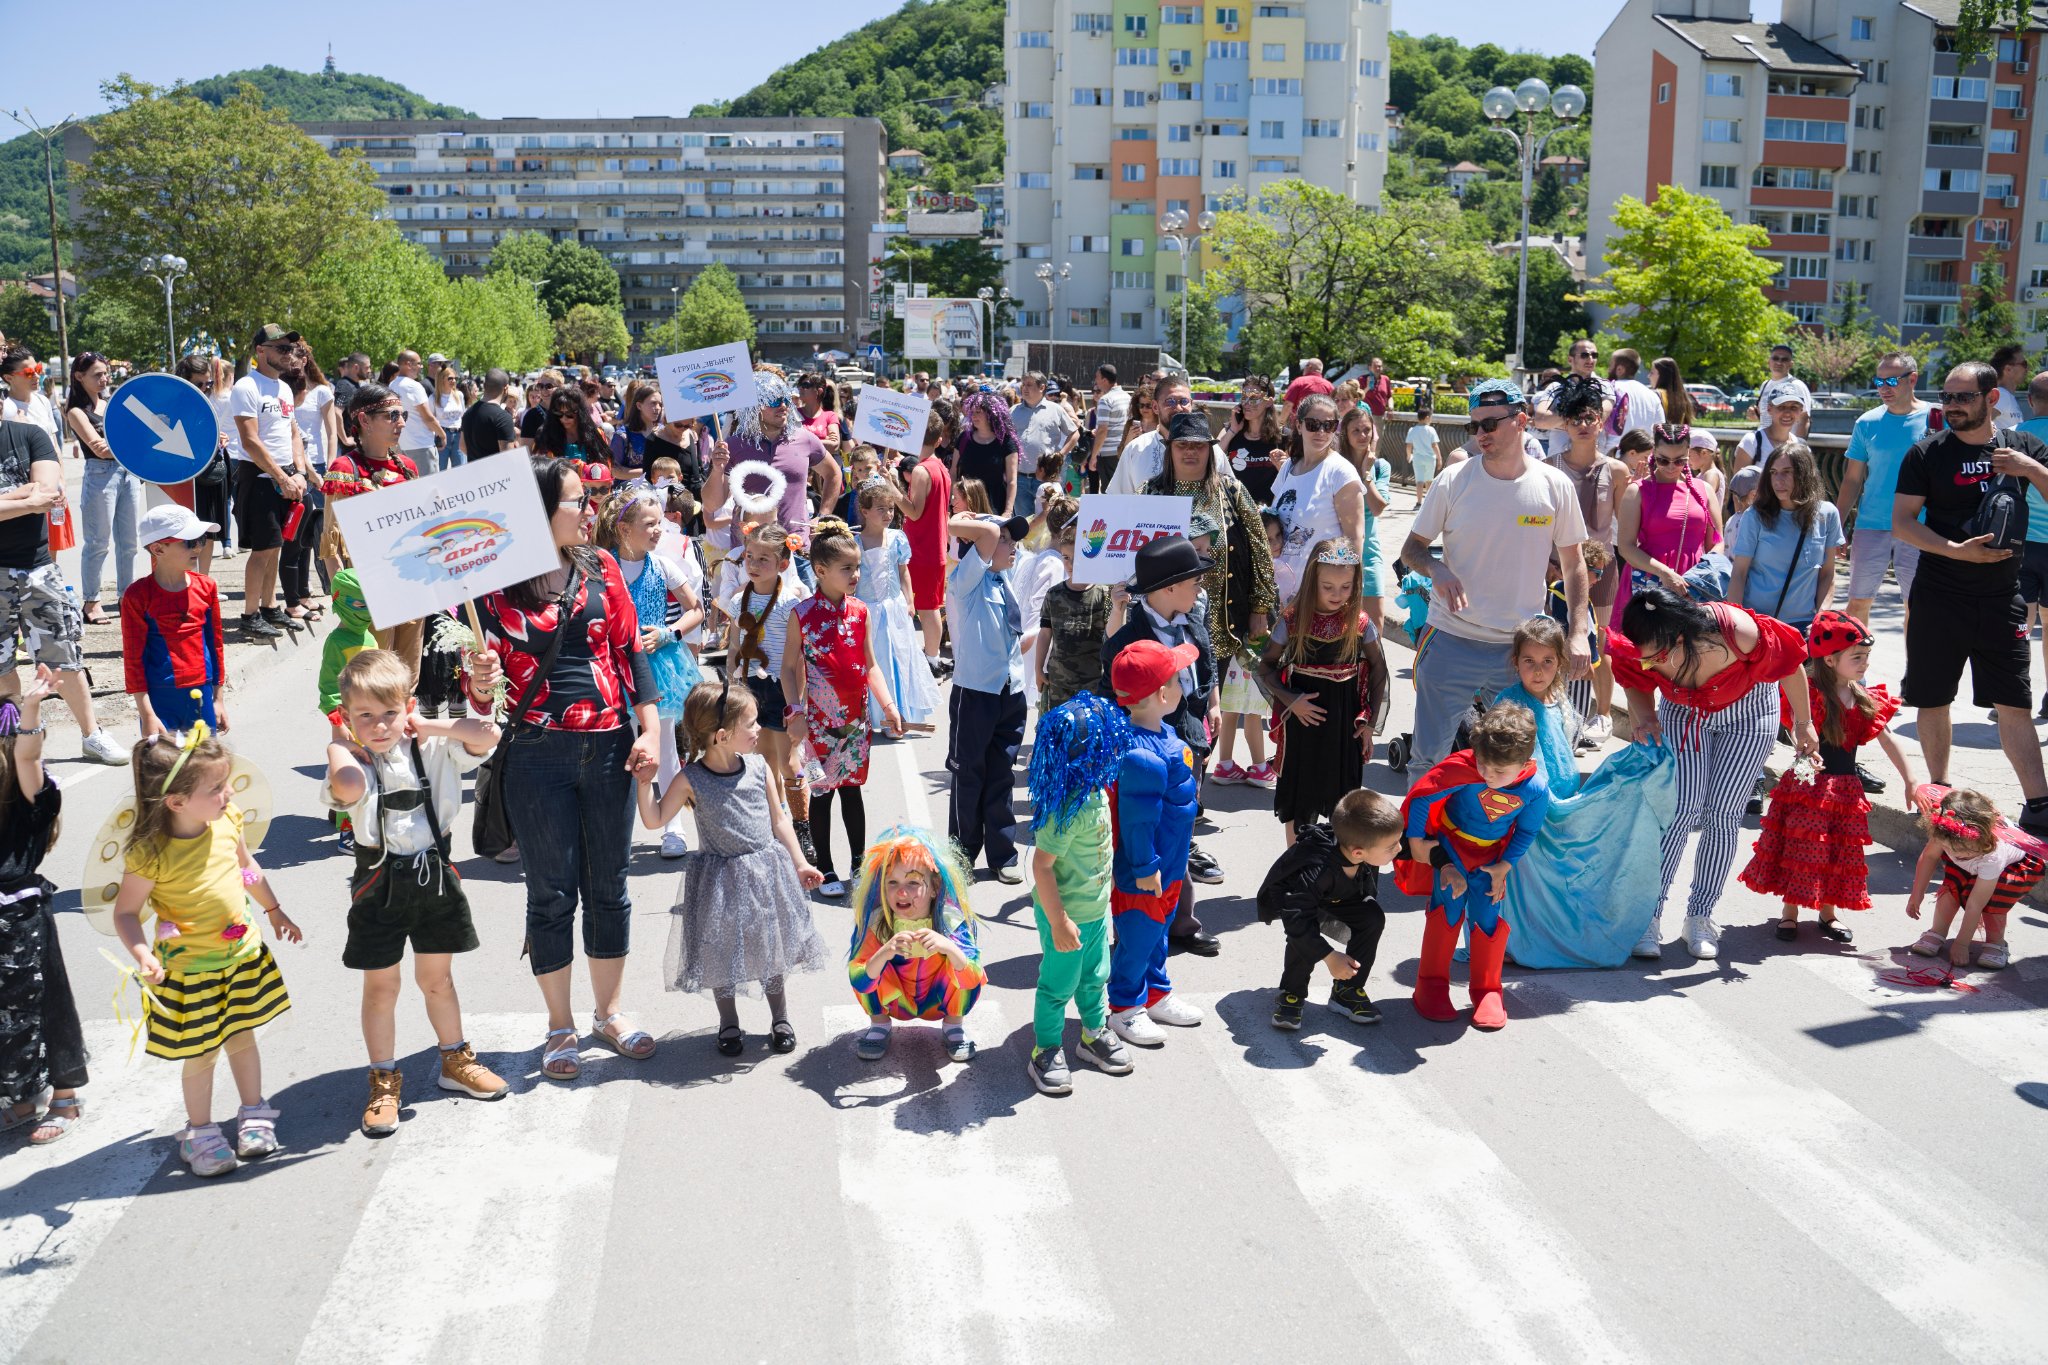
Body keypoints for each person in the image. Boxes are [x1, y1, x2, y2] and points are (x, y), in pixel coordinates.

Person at [466, 457, 663, 1081]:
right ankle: (559, 1025)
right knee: (550, 893)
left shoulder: (601, 565)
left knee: (610, 885)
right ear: (539, 510)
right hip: (536, 752)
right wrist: (480, 680)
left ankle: (609, 1014)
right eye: (577, 500)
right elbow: (483, 701)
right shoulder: (492, 587)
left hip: (610, 748)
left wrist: (652, 729)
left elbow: (630, 653)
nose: (589, 509)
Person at [322, 650, 507, 1135]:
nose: (379, 725)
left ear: (407, 706)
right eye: (365, 715)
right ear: (347, 715)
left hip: (434, 877)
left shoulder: (432, 745)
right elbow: (347, 787)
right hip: (377, 883)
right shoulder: (351, 758)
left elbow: (488, 735)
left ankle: (455, 1060)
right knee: (382, 987)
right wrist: (339, 742)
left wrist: (428, 725)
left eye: (390, 712)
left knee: (437, 980)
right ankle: (384, 1079)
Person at [112, 726, 300, 1177]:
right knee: (200, 1054)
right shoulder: (150, 854)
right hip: (190, 970)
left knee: (242, 1036)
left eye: (225, 782)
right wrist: (143, 954)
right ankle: (200, 1132)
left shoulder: (227, 820)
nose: (228, 793)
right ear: (176, 802)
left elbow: (246, 867)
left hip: (240, 958)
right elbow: (126, 913)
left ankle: (253, 1112)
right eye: (215, 788)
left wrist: (274, 909)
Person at [1610, 585, 1817, 959]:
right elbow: (1634, 678)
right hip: (1684, 714)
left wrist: (1803, 724)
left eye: (1658, 657)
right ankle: (1647, 916)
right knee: (1679, 811)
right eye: (1646, 658)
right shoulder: (1645, 650)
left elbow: (1790, 664)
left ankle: (1700, 917)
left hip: (1750, 715)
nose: (1651, 664)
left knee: (1723, 815)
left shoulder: (1737, 632)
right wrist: (1647, 717)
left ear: (1680, 638)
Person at [1400, 379, 1592, 775]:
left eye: (1489, 424)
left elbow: (1574, 565)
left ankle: (1502, 820)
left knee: (1522, 763)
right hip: (1451, 638)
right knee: (1428, 760)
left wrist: (1578, 633)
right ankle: (1422, 820)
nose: (1480, 434)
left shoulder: (1554, 484)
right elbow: (1412, 549)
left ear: (1521, 421)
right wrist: (1436, 569)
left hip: (1517, 649)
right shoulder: (1453, 480)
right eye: (1474, 426)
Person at [1893, 361, 2048, 834]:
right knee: (1933, 696)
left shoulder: (2023, 446)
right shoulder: (1927, 453)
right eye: (1947, 397)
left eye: (1964, 397)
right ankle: (1940, 795)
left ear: (1991, 399)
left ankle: (2039, 806)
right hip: (1939, 595)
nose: (1953, 406)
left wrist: (2030, 469)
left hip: (2003, 597)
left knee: (2015, 702)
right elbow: (1903, 522)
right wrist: (1955, 550)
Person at [638, 681, 828, 1056]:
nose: (759, 729)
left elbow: (779, 821)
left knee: (770, 946)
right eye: (751, 723)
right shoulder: (691, 779)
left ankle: (780, 1018)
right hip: (719, 881)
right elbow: (655, 818)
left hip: (765, 873)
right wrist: (645, 784)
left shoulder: (758, 767)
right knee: (720, 951)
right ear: (723, 735)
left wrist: (801, 862)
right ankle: (728, 1022)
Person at [1738, 613, 1915, 943]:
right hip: (1807, 782)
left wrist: (1911, 780)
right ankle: (1789, 913)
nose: (1864, 664)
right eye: (1857, 657)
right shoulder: (1811, 695)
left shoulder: (1864, 699)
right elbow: (1796, 728)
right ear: (1830, 660)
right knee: (1801, 848)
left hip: (1845, 789)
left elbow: (1888, 738)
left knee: (1838, 852)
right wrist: (1804, 749)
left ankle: (1828, 914)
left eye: (1866, 656)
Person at [1397, 702, 1548, 1031]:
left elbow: (1527, 831)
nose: (1489, 775)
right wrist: (1417, 841)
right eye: (1483, 764)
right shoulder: (1464, 770)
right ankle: (1430, 984)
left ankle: (1488, 990)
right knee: (1447, 911)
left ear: (1524, 763)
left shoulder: (1535, 790)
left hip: (1491, 859)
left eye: (1500, 771)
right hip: (1451, 850)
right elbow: (1424, 796)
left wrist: (1505, 866)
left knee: (1487, 918)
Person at [1, 394, 128, 765]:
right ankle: (16, 742)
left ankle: (92, 735)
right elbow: (36, 498)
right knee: (2, 664)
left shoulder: (29, 436)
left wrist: (23, 499)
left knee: (64, 655)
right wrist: (26, 499)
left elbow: (47, 491)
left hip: (38, 568)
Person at [1102, 534, 1228, 907]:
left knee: (1182, 817)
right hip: (1148, 748)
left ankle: (1179, 905)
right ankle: (1141, 904)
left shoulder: (1194, 621)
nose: (1200, 589)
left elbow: (1207, 663)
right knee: (1146, 822)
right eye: (1195, 582)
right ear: (1169, 588)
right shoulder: (1127, 640)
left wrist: (1213, 704)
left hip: (1189, 738)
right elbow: (1112, 695)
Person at [1025, 693, 1139, 1094]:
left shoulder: (1095, 792)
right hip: (1067, 916)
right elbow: (1042, 866)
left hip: (1094, 911)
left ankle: (1092, 1034)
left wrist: (1107, 887)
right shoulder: (1064, 808)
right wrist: (1058, 921)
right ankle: (1045, 1049)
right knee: (1057, 986)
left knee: (1095, 977)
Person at [786, 519, 905, 896]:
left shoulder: (860, 611)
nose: (855, 575)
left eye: (857, 567)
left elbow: (871, 665)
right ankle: (826, 868)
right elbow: (788, 668)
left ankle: (858, 865)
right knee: (821, 794)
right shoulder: (802, 614)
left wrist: (889, 705)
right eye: (846, 568)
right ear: (820, 570)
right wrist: (795, 712)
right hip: (817, 726)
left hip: (856, 722)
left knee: (852, 792)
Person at [0, 669, 89, 1145]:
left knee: (46, 1004)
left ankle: (65, 1096)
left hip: (21, 918)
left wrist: (31, 708)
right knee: (4, 1016)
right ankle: (21, 1098)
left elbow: (28, 755)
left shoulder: (27, 793)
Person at [1105, 639, 1207, 1046]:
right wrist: (1145, 869)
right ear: (1162, 694)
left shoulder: (1164, 733)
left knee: (1159, 933)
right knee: (1138, 937)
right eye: (1177, 678)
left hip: (1170, 864)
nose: (1184, 684)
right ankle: (1124, 1007)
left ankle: (1156, 994)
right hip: (1144, 872)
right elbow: (1137, 822)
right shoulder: (1140, 755)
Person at [597, 487, 704, 859]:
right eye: (650, 524)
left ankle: (672, 827)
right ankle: (620, 830)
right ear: (624, 528)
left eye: (660, 522)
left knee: (666, 748)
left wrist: (669, 632)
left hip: (657, 667)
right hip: (613, 669)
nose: (658, 530)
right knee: (620, 749)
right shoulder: (603, 566)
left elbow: (696, 609)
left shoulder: (663, 565)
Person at [1258, 541, 1389, 842]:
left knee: (1344, 802)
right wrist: (1292, 700)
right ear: (1312, 580)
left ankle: (1337, 866)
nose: (1337, 594)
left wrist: (1370, 724)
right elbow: (1265, 667)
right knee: (1299, 799)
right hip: (1302, 723)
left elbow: (1379, 669)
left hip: (1345, 726)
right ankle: (1297, 862)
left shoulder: (1360, 623)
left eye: (1346, 587)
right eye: (1328, 587)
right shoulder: (1292, 621)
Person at [1258, 788, 1405, 1031]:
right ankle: (1292, 993)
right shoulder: (1317, 870)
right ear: (1359, 852)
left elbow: (1409, 848)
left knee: (1372, 917)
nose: (1398, 849)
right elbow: (1296, 919)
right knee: (1305, 930)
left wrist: (1444, 864)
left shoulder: (1365, 846)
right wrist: (1329, 956)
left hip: (1337, 895)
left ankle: (1346, 991)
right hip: (1300, 901)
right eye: (1392, 846)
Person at [847, 826, 985, 1062]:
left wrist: (948, 948)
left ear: (935, 888)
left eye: (913, 882)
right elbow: (857, 979)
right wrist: (884, 952)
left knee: (964, 964)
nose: (901, 892)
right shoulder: (876, 922)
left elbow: (974, 977)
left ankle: (954, 1025)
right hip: (897, 1002)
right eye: (892, 882)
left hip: (936, 1000)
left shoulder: (950, 920)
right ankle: (879, 1024)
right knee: (867, 966)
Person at [945, 511, 1030, 883]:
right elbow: (977, 534)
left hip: (1010, 690)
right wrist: (982, 528)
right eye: (1004, 540)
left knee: (1001, 775)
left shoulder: (1005, 576)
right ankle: (961, 855)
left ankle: (1002, 853)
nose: (1012, 547)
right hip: (976, 693)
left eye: (1013, 540)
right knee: (968, 776)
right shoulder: (967, 579)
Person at [1545, 373, 1630, 740]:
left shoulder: (1617, 470)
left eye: (1589, 418)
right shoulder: (1548, 466)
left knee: (1600, 640)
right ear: (1564, 424)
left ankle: (1602, 714)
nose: (1582, 425)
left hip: (1602, 568)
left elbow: (1624, 529)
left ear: (1600, 422)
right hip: (1556, 568)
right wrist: (1546, 566)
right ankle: (1558, 713)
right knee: (1554, 636)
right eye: (1575, 418)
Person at [324, 385, 427, 678]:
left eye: (403, 415)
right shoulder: (345, 469)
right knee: (373, 677)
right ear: (364, 421)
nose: (401, 423)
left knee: (408, 675)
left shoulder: (407, 467)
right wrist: (345, 600)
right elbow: (330, 543)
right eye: (392, 415)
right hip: (369, 589)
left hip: (411, 585)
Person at [704, 371, 840, 586]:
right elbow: (712, 505)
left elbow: (833, 474)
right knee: (746, 609)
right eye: (774, 400)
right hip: (750, 554)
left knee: (801, 607)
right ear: (755, 406)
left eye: (785, 399)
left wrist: (822, 516)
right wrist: (717, 469)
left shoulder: (804, 438)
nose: (783, 406)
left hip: (796, 549)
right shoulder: (734, 445)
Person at [229, 324, 313, 641]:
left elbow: (293, 434)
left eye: (291, 349)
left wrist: (300, 472)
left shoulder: (284, 389)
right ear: (261, 351)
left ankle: (269, 607)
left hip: (286, 477)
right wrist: (281, 476)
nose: (288, 354)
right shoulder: (246, 387)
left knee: (276, 546)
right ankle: (250, 615)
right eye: (282, 348)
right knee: (262, 549)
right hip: (260, 478)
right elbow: (250, 441)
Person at [1836, 352, 1932, 626]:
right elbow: (1852, 479)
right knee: (1857, 603)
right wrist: (1837, 525)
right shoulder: (1866, 422)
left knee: (1917, 606)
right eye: (1879, 381)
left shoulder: (1937, 418)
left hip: (1920, 525)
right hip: (1872, 523)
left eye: (1891, 380)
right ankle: (1858, 656)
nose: (1884, 388)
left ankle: (1914, 658)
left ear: (1912, 379)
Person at [1907, 785, 2042, 971]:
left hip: (2006, 869)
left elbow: (1975, 905)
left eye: (1963, 850)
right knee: (1951, 889)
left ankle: (1996, 942)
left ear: (1982, 838)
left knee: (1993, 903)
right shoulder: (1947, 832)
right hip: (1975, 861)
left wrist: (1962, 944)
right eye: (1948, 848)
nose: (1956, 853)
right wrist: (1917, 893)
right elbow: (1929, 857)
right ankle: (1937, 931)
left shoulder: (1993, 855)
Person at [121, 504, 228, 737]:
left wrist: (218, 699)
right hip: (161, 697)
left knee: (204, 759)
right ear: (158, 549)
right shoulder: (137, 595)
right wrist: (147, 714)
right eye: (190, 542)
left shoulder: (206, 587)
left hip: (201, 691)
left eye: (201, 539)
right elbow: (133, 658)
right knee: (163, 760)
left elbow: (215, 645)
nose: (198, 547)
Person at [1726, 438, 1842, 639]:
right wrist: (1736, 625)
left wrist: (1821, 617)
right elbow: (1739, 574)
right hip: (1758, 625)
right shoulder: (1754, 516)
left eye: (1787, 472)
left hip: (1803, 628)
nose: (1778, 480)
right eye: (1773, 472)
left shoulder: (1827, 514)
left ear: (1804, 474)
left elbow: (1827, 574)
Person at [1613, 423, 1723, 628]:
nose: (1671, 467)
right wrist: (1665, 573)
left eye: (1679, 460)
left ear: (1688, 453)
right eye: (1663, 460)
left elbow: (1717, 542)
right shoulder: (1637, 491)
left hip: (1692, 583)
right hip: (1647, 578)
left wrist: (1701, 574)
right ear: (1654, 453)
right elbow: (1626, 547)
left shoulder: (1704, 490)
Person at [854, 477, 940, 733]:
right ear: (865, 511)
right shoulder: (856, 543)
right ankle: (876, 715)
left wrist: (909, 599)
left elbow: (903, 572)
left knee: (900, 658)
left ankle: (901, 715)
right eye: (881, 509)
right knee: (876, 660)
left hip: (894, 608)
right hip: (868, 610)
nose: (888, 514)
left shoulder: (897, 538)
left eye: (891, 508)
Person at [65, 351, 141, 626]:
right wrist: (127, 444)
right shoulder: (76, 411)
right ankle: (91, 600)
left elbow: (136, 435)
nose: (104, 379)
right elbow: (99, 448)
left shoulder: (111, 404)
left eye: (106, 373)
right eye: (97, 374)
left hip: (128, 473)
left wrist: (122, 445)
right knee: (98, 542)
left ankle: (126, 596)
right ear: (79, 376)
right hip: (100, 475)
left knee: (129, 543)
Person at [1271, 392, 1365, 584]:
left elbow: (1355, 539)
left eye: (1328, 425)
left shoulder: (1341, 472)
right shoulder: (1288, 467)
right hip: (1281, 588)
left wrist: (1348, 588)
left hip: (1320, 589)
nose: (1321, 431)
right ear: (1299, 426)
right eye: (1313, 424)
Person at [1035, 498, 1114, 714]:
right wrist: (1038, 668)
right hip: (1059, 683)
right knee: (1061, 728)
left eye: (1077, 557)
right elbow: (1045, 633)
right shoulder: (1054, 594)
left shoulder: (1103, 594)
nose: (1070, 564)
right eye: (1066, 557)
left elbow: (1112, 636)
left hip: (1094, 683)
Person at [900, 408, 954, 666]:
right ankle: (932, 657)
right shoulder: (940, 466)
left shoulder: (922, 471)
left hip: (922, 549)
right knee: (929, 607)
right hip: (933, 547)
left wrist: (893, 488)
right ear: (939, 440)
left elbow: (914, 512)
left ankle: (932, 661)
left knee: (926, 609)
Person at [1339, 404, 1394, 626]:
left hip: (1370, 554)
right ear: (1345, 433)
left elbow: (1378, 507)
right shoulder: (1336, 465)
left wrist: (1366, 473)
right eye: (1356, 431)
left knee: (1375, 622)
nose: (1363, 436)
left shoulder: (1380, 467)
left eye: (1367, 430)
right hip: (1339, 554)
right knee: (1343, 624)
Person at [1106, 373, 1198, 495]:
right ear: (1155, 407)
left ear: (1191, 404)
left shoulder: (1208, 449)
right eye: (1170, 401)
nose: (1179, 408)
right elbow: (1118, 497)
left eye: (1184, 401)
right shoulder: (1135, 448)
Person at [1531, 338, 1614, 457]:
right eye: (1584, 355)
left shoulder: (1604, 386)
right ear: (1570, 359)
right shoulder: (1555, 386)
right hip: (1559, 460)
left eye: (1594, 355)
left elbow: (1600, 418)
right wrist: (1583, 416)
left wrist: (1561, 419)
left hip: (1593, 460)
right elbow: (1540, 421)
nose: (1590, 359)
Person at [1009, 371, 1079, 496]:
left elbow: (1074, 434)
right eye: (1023, 384)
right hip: (1019, 478)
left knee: (1048, 509)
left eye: (1029, 384)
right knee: (1022, 510)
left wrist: (1061, 455)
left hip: (1046, 478)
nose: (1024, 388)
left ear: (1042, 387)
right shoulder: (1013, 411)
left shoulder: (1055, 409)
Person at [1220, 375, 1285, 506]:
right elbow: (1212, 459)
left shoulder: (1284, 436)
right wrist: (1232, 431)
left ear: (1269, 402)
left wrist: (1283, 466)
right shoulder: (1230, 430)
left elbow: (1296, 476)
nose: (1247, 403)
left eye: (1254, 398)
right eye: (1244, 397)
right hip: (1235, 510)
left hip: (1269, 511)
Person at [954, 391, 1021, 518]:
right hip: (966, 507)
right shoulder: (964, 438)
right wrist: (952, 501)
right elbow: (953, 472)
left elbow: (1012, 481)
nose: (973, 416)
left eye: (978, 412)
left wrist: (1007, 511)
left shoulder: (1007, 442)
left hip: (995, 508)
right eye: (972, 412)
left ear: (991, 414)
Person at [388, 350, 447, 475]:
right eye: (419, 363)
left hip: (402, 445)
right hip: (421, 446)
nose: (421, 367)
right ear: (409, 364)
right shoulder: (413, 386)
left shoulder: (392, 385)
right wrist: (442, 434)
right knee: (429, 484)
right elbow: (428, 418)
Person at [1602, 349, 1667, 456]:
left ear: (1620, 369)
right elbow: (1660, 431)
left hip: (1612, 455)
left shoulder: (1609, 389)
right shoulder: (1652, 395)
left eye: (1610, 365)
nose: (1609, 369)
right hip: (1642, 458)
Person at [1733, 390, 1806, 477]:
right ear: (1769, 409)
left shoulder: (1801, 446)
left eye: (1793, 407)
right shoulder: (1752, 442)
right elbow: (1739, 483)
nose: (1787, 413)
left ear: (1801, 411)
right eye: (1781, 407)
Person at [1084, 364, 1131, 493]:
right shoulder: (1127, 397)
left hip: (1108, 454)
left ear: (1104, 380)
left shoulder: (1105, 400)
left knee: (1109, 491)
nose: (1096, 381)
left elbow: (1102, 430)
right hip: (1123, 450)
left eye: (1097, 377)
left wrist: (1093, 456)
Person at [461, 369, 520, 460]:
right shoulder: (503, 418)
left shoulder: (468, 413)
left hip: (474, 467)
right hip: (496, 469)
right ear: (506, 388)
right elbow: (507, 456)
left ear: (484, 386)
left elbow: (462, 446)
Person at [1756, 343, 1813, 437]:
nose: (1779, 362)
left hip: (1786, 443)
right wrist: (1755, 414)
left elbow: (1804, 419)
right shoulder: (1765, 384)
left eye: (1784, 359)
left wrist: (1799, 444)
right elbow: (1766, 416)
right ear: (1769, 362)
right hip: (1763, 440)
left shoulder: (1797, 385)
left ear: (1791, 364)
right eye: (1775, 358)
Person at [430, 361, 466, 471]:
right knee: (441, 470)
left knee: (460, 469)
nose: (453, 381)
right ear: (442, 379)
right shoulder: (433, 398)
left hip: (458, 435)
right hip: (442, 435)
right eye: (450, 378)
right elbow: (430, 420)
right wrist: (438, 436)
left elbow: (463, 416)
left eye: (455, 378)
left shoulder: (459, 395)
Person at [1406, 404, 1440, 506]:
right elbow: (1434, 445)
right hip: (1430, 458)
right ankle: (1428, 502)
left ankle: (1419, 502)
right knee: (1429, 480)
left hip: (1417, 458)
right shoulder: (1431, 430)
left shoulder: (1412, 430)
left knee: (1419, 481)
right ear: (1427, 417)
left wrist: (1408, 455)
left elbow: (1409, 445)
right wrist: (1439, 458)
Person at [1281, 357, 1334, 421]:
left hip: (1300, 423)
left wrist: (1281, 423)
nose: (1303, 369)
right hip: (1322, 424)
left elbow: (1288, 405)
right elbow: (1334, 407)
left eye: (1305, 366)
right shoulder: (1329, 386)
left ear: (1310, 367)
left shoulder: (1299, 381)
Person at [1990, 342, 2028, 429]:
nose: (2027, 369)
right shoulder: (2002, 395)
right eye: (2024, 364)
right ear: (2008, 369)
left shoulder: (2006, 396)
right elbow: (1978, 425)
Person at [1650, 356, 1692, 426]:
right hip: (1677, 432)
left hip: (1660, 432)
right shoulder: (1682, 397)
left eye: (1652, 373)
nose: (1649, 376)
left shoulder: (1655, 395)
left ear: (1662, 375)